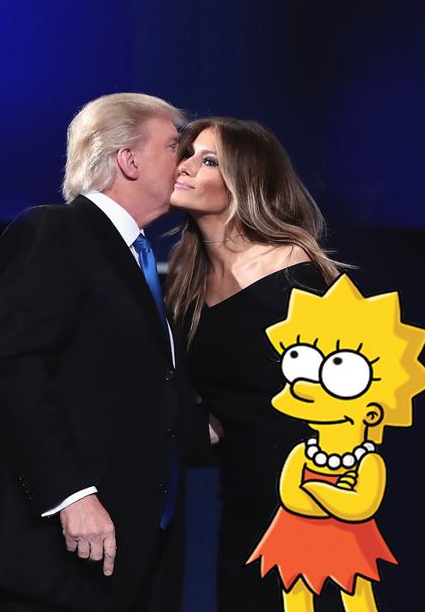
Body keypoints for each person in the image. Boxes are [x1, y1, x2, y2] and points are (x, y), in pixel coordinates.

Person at [0, 93, 210, 612]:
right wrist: (71, 494)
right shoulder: (54, 232)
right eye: (175, 146)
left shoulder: (143, 263)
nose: (185, 162)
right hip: (46, 561)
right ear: (128, 159)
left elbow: (131, 396)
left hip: (130, 559)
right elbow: (14, 371)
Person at [165, 117, 347, 612]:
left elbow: (350, 390)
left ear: (244, 180)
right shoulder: (185, 282)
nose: (184, 167)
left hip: (311, 498)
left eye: (207, 160)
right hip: (240, 497)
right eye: (185, 154)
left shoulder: (295, 271)